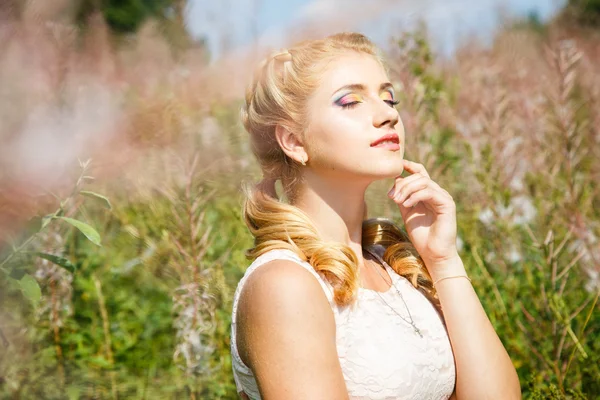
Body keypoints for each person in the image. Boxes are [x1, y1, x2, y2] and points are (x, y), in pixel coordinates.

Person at [229, 32, 521, 400]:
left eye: (388, 97)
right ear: (294, 141)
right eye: (350, 101)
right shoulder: (285, 284)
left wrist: (443, 261)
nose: (388, 114)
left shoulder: (397, 267)